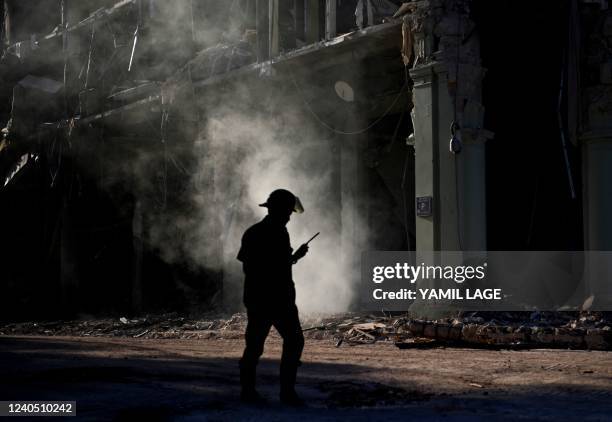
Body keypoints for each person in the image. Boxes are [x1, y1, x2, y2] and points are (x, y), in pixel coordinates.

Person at [237, 189, 309, 406]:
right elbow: (272, 266)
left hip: (260, 298)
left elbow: (249, 265)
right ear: (279, 210)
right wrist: (292, 258)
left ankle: (248, 392)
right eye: (287, 212)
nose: (289, 217)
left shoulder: (254, 232)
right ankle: (287, 394)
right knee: (294, 341)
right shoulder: (276, 232)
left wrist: (293, 258)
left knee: (254, 346)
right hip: (277, 299)